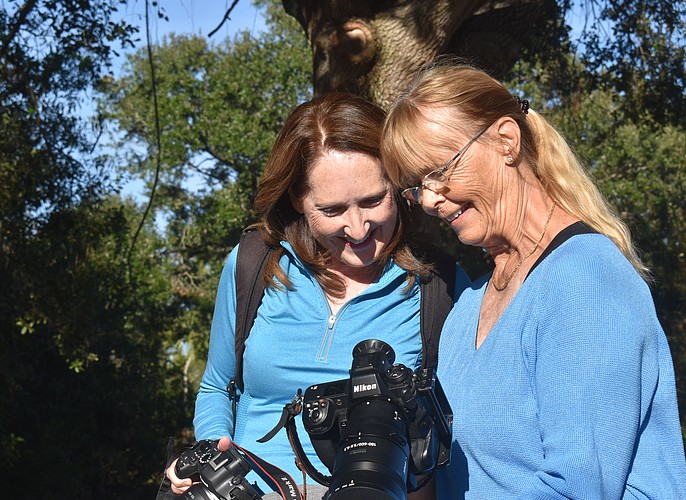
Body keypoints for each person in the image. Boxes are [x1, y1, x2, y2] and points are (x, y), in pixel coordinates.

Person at [379, 61, 686, 499]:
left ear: (506, 140)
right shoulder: (467, 303)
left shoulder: (587, 278)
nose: (429, 199)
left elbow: (577, 489)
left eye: (440, 170)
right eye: (415, 187)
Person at [165, 91, 470, 498]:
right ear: (297, 198)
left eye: (373, 200)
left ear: (397, 185)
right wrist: (212, 458)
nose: (359, 229)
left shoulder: (440, 285)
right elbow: (217, 386)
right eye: (332, 210)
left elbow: (457, 428)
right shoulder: (251, 264)